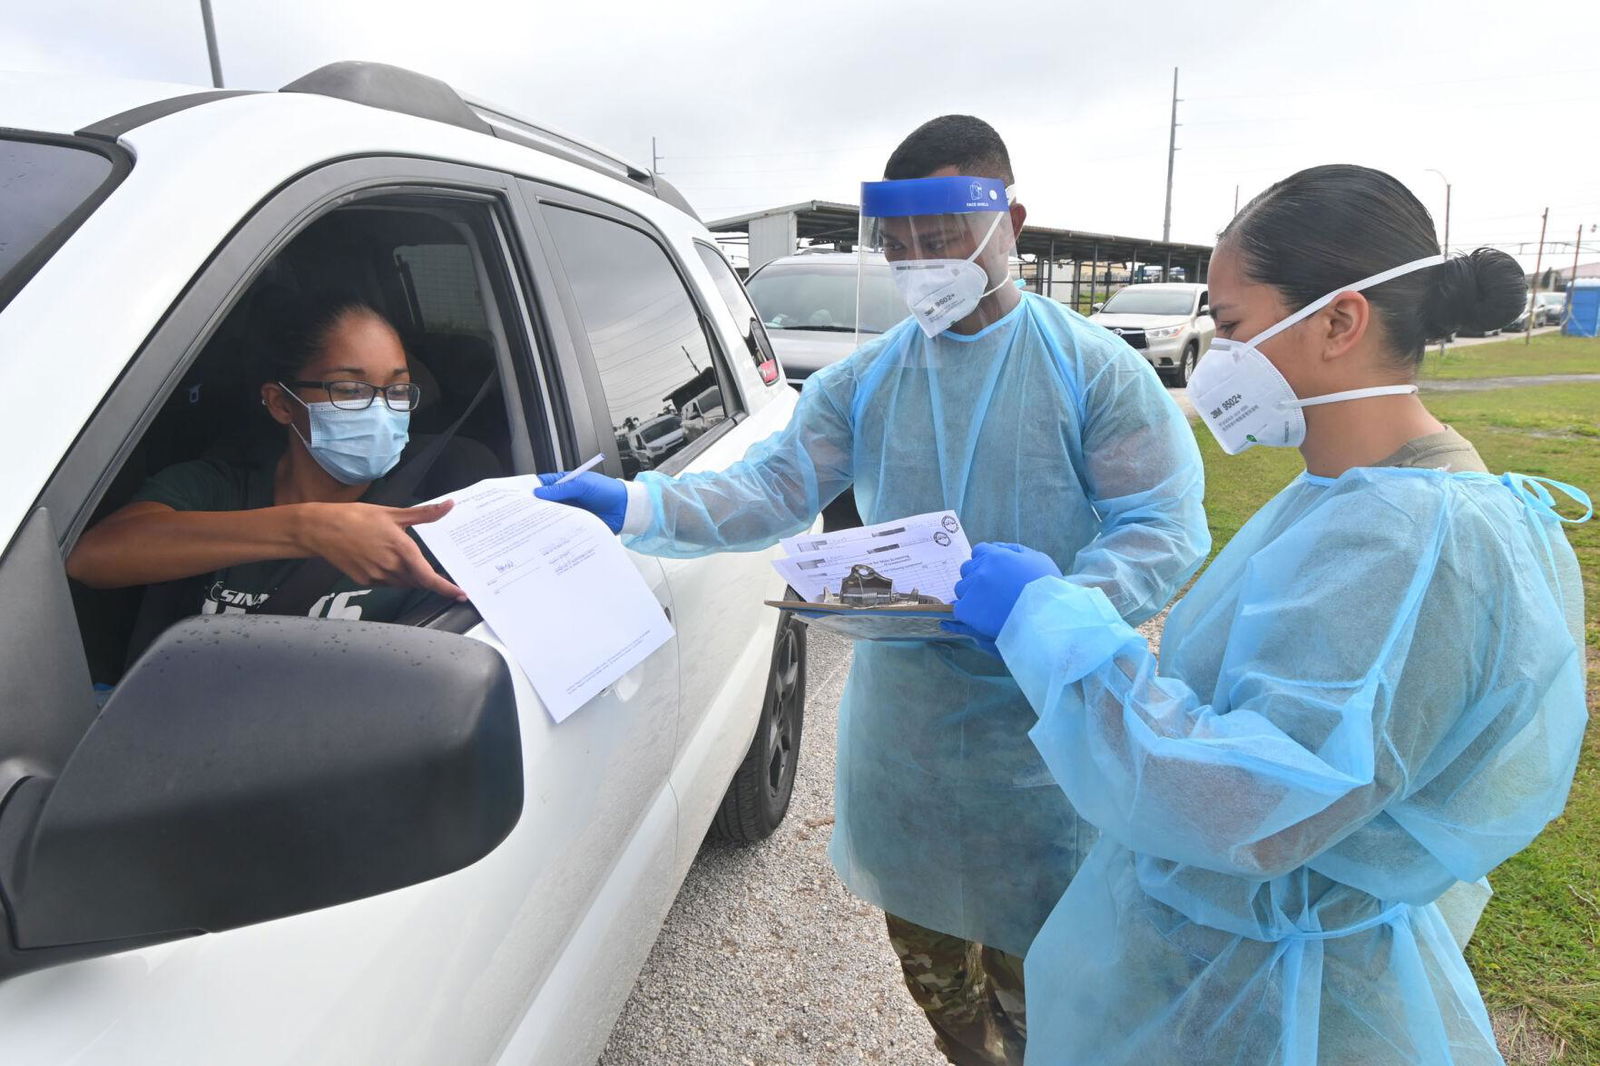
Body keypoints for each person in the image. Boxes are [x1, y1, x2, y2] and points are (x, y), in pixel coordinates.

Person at [533, 115, 1210, 1065]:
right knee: (937, 970)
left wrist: (1049, 604)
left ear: (1010, 220)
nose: (920, 265)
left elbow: (1164, 525)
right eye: (899, 249)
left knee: (1057, 981)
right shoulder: (871, 380)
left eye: (941, 242)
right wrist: (638, 504)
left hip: (1047, 728)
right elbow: (770, 490)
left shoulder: (1093, 372)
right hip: (910, 737)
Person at [948, 164, 1590, 1065]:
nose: (1217, 359)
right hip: (1237, 977)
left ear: (1339, 321)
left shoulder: (1409, 540)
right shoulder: (1348, 499)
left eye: (1235, 325)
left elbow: (1244, 802)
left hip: (1278, 1005)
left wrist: (1050, 625)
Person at [68, 293, 465, 623]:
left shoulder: (435, 508)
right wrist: (306, 529)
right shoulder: (217, 487)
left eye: (397, 390)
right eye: (349, 389)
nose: (380, 410)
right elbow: (91, 559)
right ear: (281, 404)